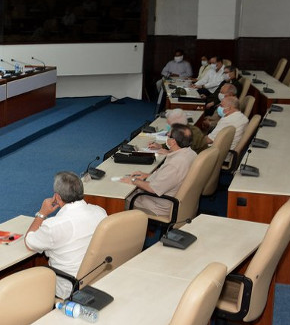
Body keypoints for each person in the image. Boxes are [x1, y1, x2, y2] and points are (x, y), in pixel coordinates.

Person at [25, 171, 107, 299]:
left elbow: (29, 242)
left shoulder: (54, 226)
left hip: (69, 287)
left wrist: (42, 213)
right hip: (97, 276)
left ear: (57, 197)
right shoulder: (100, 212)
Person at [122, 124, 197, 217]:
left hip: (158, 206)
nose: (166, 137)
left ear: (173, 142)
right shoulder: (191, 154)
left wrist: (133, 180)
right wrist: (147, 175)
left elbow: (153, 189)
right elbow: (171, 179)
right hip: (175, 198)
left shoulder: (175, 165)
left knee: (121, 198)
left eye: (168, 135)